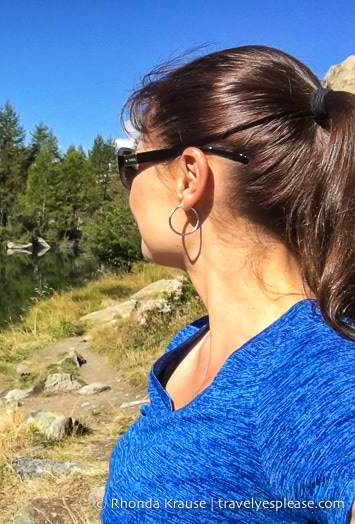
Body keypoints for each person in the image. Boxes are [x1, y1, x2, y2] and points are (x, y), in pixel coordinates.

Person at [102, 45, 355, 523]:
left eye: (131, 165)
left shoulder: (311, 373)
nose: (128, 189)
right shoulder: (193, 343)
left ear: (190, 177)